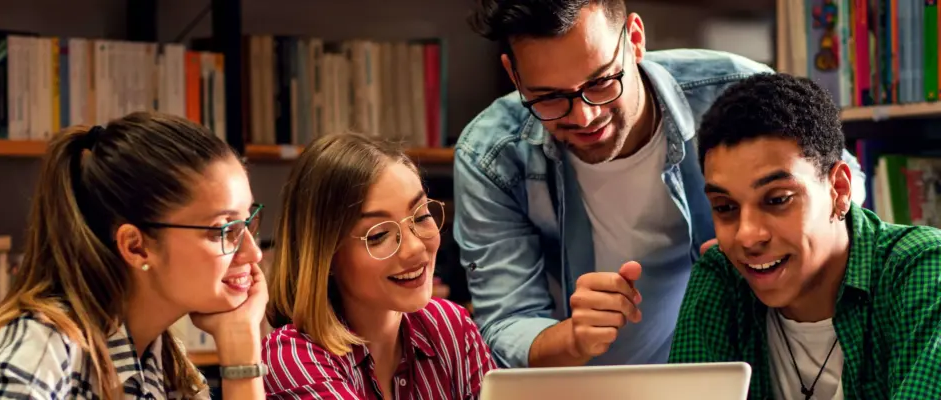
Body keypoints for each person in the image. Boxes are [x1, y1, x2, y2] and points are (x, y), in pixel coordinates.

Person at [455, 0, 868, 369]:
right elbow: (506, 324)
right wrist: (573, 338)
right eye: (549, 98)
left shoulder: (735, 92)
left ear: (635, 40)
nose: (584, 117)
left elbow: (840, 192)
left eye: (600, 83)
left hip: (740, 375)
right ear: (514, 75)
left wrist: (770, 247)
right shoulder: (491, 155)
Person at [0, 112, 269, 399]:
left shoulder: (166, 364)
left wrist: (241, 344)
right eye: (223, 229)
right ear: (136, 246)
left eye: (248, 222)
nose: (253, 253)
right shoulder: (36, 354)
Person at [668, 73, 941, 399]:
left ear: (839, 189)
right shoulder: (721, 278)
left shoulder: (924, 268)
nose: (747, 236)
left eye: (777, 200)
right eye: (725, 207)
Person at [263, 133, 497, 399]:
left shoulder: (451, 326)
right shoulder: (290, 358)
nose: (415, 248)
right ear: (324, 256)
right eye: (378, 235)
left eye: (421, 216)